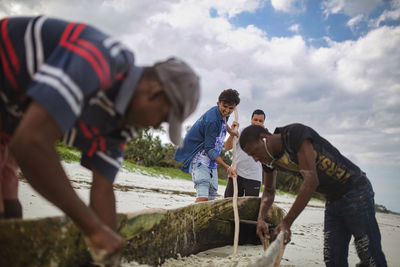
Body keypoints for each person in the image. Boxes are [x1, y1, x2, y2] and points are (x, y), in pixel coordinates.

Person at [0, 16, 200, 265]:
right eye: (164, 118)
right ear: (155, 92)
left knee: (9, 208)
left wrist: (110, 254)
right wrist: (93, 229)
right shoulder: (99, 59)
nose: (157, 126)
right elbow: (30, 143)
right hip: (8, 87)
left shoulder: (123, 123)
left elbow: (103, 189)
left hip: (10, 118)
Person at [239, 123, 387, 267]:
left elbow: (311, 181)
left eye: (254, 153)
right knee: (333, 259)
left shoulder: (293, 135)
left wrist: (286, 223)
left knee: (370, 256)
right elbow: (269, 191)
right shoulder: (269, 161)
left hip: (356, 191)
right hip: (332, 199)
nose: (255, 159)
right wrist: (261, 218)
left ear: (263, 138)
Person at [174, 89, 240, 202]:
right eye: (225, 106)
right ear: (218, 103)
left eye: (231, 108)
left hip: (212, 162)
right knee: (203, 196)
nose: (227, 111)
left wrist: (231, 132)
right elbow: (210, 150)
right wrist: (227, 167)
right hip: (200, 158)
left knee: (211, 196)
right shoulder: (212, 121)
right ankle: (192, 219)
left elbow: (224, 120)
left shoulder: (223, 113)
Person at [224, 109, 266, 198]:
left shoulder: (266, 138)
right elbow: (227, 147)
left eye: (260, 121)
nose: (257, 123)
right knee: (228, 203)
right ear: (251, 120)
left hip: (254, 178)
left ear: (263, 123)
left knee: (250, 208)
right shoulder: (242, 132)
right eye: (255, 120)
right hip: (236, 174)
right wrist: (232, 133)